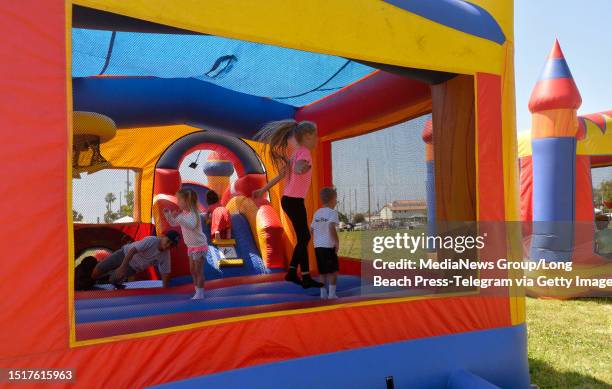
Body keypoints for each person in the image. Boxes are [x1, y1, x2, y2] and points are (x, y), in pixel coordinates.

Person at [253, 119, 323, 288]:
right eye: (314, 136)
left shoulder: (295, 154)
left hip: (290, 200)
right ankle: (301, 276)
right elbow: (298, 168)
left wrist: (263, 190)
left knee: (303, 237)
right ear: (305, 137)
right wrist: (301, 168)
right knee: (304, 237)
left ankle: (294, 273)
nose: (316, 140)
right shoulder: (303, 153)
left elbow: (280, 176)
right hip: (293, 201)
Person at [91, 230, 180, 289]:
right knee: (100, 268)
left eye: (172, 245)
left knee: (113, 279)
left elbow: (165, 273)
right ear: (162, 236)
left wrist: (164, 289)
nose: (168, 246)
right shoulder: (152, 241)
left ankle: (107, 277)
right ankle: (90, 283)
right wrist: (122, 267)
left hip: (133, 267)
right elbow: (133, 250)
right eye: (168, 241)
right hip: (124, 254)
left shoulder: (165, 255)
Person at [164, 189, 208, 299]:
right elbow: (173, 223)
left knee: (198, 270)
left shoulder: (194, 214)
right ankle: (197, 290)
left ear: (187, 201)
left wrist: (179, 217)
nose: (178, 203)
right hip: (191, 247)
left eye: (179, 200)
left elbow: (191, 226)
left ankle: (200, 293)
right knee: (192, 270)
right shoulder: (183, 214)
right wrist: (169, 216)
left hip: (199, 246)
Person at [311, 187, 340, 299]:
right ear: (332, 200)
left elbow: (312, 229)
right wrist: (336, 242)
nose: (336, 202)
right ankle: (332, 294)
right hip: (328, 246)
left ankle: (323, 294)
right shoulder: (333, 212)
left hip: (318, 246)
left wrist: (318, 239)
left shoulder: (317, 213)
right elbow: (331, 226)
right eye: (336, 199)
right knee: (333, 271)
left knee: (322, 272)